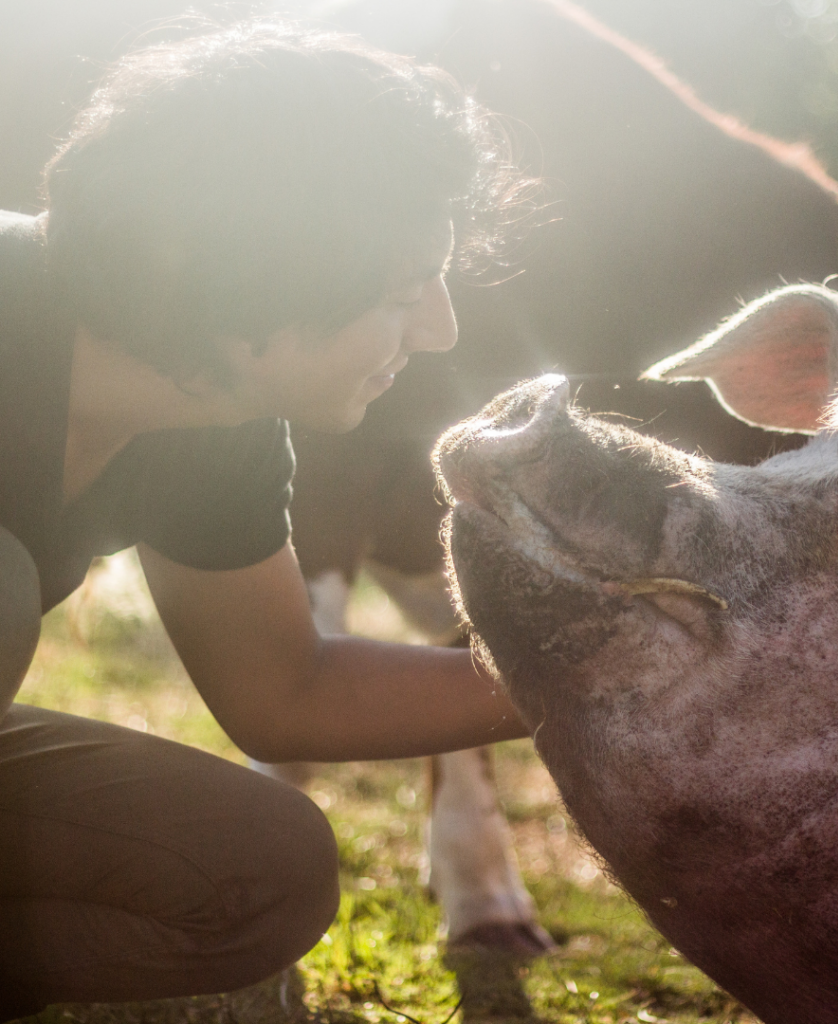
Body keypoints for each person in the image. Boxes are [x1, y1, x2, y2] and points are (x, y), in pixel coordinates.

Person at [0, 21, 532, 1017]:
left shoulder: (215, 415)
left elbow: (288, 689)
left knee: (260, 866)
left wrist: (595, 669)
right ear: (259, 271)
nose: (441, 330)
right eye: (403, 289)